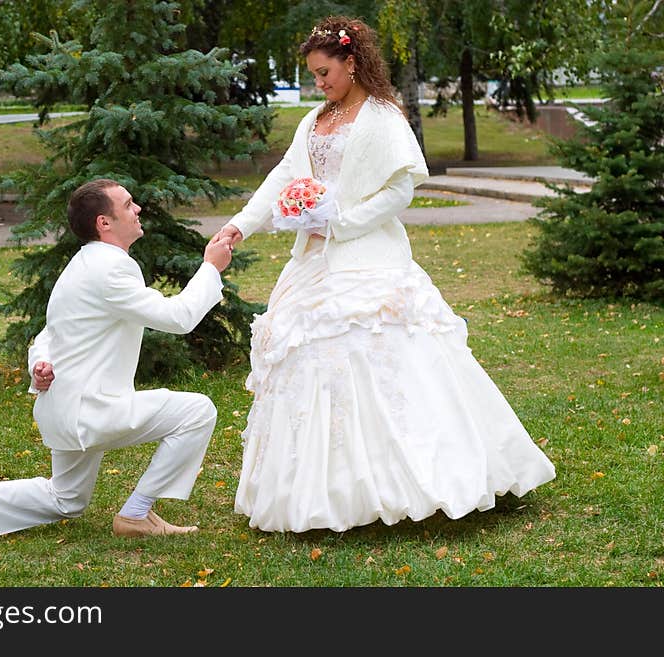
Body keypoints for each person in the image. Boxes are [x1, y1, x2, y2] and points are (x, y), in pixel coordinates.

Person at [213, 16, 556, 533]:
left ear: (351, 63)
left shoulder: (382, 117)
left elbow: (400, 191)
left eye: (325, 72)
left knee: (385, 354)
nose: (319, 83)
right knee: (312, 356)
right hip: (314, 259)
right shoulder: (314, 120)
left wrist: (342, 222)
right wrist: (240, 226)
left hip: (368, 255)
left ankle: (420, 478)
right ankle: (325, 492)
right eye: (312, 74)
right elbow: (285, 175)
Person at [0, 178, 233, 546]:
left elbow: (48, 335)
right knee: (198, 410)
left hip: (64, 409)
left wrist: (40, 364)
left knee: (67, 499)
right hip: (91, 411)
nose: (138, 210)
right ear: (104, 222)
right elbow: (178, 318)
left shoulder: (82, 264)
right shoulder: (110, 269)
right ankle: (136, 514)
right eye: (129, 204)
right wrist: (211, 268)